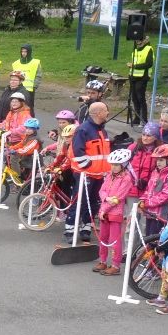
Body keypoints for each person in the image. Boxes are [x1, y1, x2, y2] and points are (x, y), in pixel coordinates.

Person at [67, 101, 111, 242]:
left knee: (92, 203)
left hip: (99, 175)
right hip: (85, 174)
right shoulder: (83, 130)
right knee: (79, 201)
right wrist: (88, 167)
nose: (107, 113)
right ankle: (70, 229)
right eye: (105, 111)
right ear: (98, 113)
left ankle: (85, 228)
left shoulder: (102, 130)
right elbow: (77, 151)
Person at [95, 148, 135, 276]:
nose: (113, 167)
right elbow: (102, 191)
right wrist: (106, 199)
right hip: (104, 210)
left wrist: (105, 207)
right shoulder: (109, 175)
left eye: (117, 165)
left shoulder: (127, 178)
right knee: (103, 237)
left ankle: (115, 265)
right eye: (112, 164)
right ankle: (102, 261)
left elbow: (118, 198)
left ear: (123, 165)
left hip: (115, 212)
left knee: (114, 240)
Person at [139, 143, 168, 238]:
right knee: (148, 237)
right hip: (150, 213)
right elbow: (148, 190)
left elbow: (165, 196)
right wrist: (142, 199)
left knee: (156, 240)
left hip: (161, 215)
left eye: (161, 160)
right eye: (157, 160)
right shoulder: (155, 172)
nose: (158, 162)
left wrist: (146, 203)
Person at [127, 122, 161, 199]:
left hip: (148, 192)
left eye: (148, 135)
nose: (145, 138)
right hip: (130, 190)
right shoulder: (133, 148)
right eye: (143, 134)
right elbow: (123, 168)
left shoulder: (159, 151)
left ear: (156, 137)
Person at [127, 35, 155, 126]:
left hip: (143, 77)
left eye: (139, 40)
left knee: (140, 97)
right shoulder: (135, 48)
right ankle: (137, 118)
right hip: (133, 76)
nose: (137, 42)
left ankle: (144, 119)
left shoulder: (148, 49)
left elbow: (149, 64)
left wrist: (134, 66)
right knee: (134, 98)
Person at [11, 44, 42, 108]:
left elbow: (38, 76)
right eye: (22, 51)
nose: (23, 53)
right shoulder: (16, 63)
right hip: (18, 89)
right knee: (18, 107)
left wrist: (34, 86)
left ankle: (31, 118)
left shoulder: (35, 63)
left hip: (29, 90)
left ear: (29, 52)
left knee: (29, 108)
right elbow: (14, 77)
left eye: (25, 51)